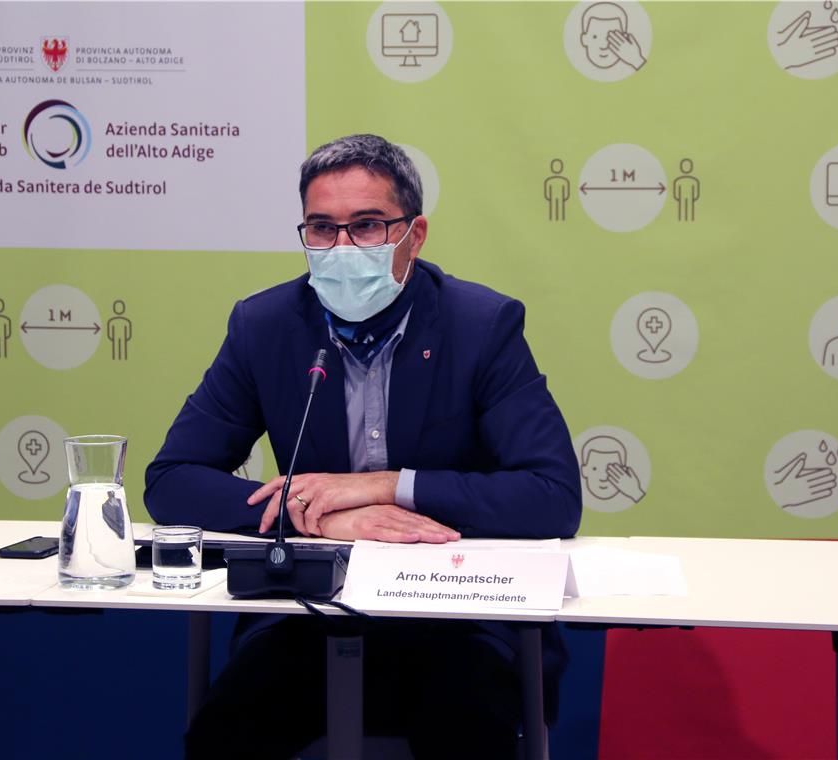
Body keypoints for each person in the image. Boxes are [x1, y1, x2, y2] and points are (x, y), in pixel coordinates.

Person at [145, 134, 581, 759]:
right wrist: (316, 514)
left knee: (468, 730)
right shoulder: (265, 326)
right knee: (223, 736)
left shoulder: (480, 326)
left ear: (414, 235)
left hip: (456, 612)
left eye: (368, 225)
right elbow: (171, 479)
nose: (343, 248)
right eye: (322, 229)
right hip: (308, 609)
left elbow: (552, 496)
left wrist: (384, 487)